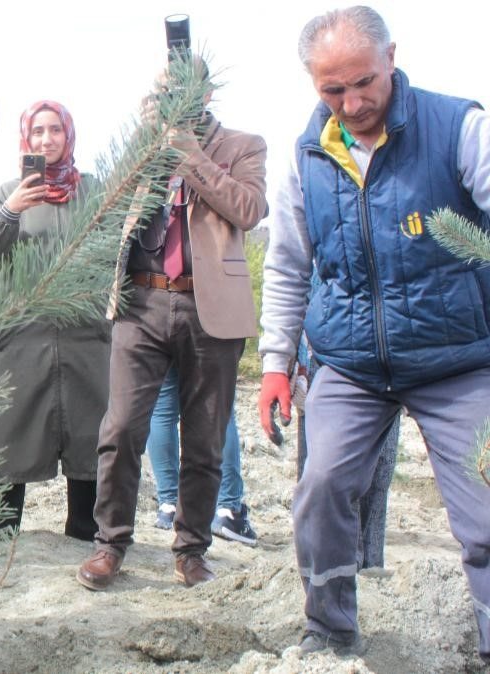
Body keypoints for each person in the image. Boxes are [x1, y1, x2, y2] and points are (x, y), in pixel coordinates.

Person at [257, 6, 490, 660]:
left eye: (364, 82)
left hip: (460, 360)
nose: (353, 102)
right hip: (352, 365)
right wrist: (277, 363)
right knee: (322, 486)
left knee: (485, 511)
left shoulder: (458, 130)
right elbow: (287, 265)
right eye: (333, 90)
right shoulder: (307, 159)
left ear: (392, 56)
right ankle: (329, 634)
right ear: (312, 83)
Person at [78, 59, 268, 591]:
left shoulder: (242, 144)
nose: (171, 101)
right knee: (120, 429)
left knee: (205, 438)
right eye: (162, 93)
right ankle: (109, 544)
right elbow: (104, 212)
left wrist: (191, 154)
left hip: (212, 309)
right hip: (141, 302)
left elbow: (249, 208)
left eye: (182, 91)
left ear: (207, 92)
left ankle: (191, 549)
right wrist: (144, 145)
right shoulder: (143, 145)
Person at [0, 100, 109, 542]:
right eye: (37, 132)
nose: (46, 140)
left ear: (69, 136)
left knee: (90, 433)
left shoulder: (92, 191)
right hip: (19, 342)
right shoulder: (8, 190)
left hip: (83, 338)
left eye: (55, 131)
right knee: (5, 434)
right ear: (25, 139)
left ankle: (89, 534)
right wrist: (11, 209)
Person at [293, 308, 399, 571]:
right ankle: (324, 566)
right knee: (322, 471)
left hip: (389, 341)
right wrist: (290, 355)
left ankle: (370, 564)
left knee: (379, 466)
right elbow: (295, 281)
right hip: (327, 340)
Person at [146, 369, 256, 546]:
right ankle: (227, 510)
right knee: (220, 403)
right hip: (213, 342)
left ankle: (169, 505)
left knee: (163, 406)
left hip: (166, 341)